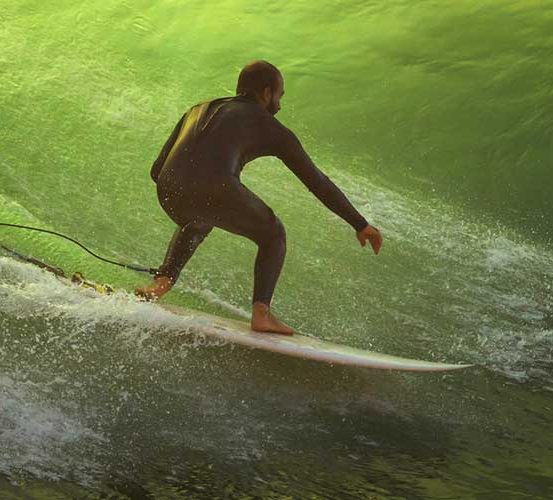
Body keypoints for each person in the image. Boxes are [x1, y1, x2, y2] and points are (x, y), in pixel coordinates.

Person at [134, 60, 383, 335]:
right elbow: (317, 181)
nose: (279, 105)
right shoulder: (269, 126)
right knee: (273, 233)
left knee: (197, 219)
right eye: (279, 96)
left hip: (168, 190)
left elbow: (156, 169)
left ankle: (160, 284)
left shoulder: (199, 108)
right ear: (266, 93)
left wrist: (191, 191)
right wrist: (360, 224)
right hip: (214, 187)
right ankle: (261, 314)